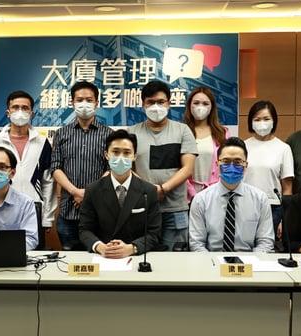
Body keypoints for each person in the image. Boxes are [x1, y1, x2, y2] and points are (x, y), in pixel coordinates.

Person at [129, 80, 197, 250]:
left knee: (174, 258)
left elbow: (188, 168)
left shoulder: (183, 130)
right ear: (143, 105)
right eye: (150, 102)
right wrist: (150, 190)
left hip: (175, 209)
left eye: (160, 102)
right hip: (142, 207)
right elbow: (127, 169)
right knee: (141, 254)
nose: (156, 107)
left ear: (169, 103)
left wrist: (163, 189)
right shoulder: (132, 132)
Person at [0, 90, 55, 241]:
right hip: (1, 209)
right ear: (8, 113)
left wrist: (47, 217)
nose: (20, 111)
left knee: (33, 251)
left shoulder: (42, 143)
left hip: (34, 209)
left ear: (32, 113)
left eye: (25, 108)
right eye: (15, 107)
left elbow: (48, 182)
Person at [79, 129, 162, 258]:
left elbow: (154, 233)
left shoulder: (149, 191)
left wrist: (131, 248)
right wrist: (100, 247)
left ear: (134, 156)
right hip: (103, 256)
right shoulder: (93, 190)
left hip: (136, 256)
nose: (121, 157)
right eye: (116, 152)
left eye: (127, 153)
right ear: (106, 155)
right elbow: (84, 230)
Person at [50, 81, 112, 250]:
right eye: (79, 100)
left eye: (89, 100)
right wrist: (75, 192)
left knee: (99, 257)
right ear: (72, 103)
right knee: (69, 259)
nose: (84, 104)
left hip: (99, 213)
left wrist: (88, 194)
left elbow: (111, 170)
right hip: (68, 211)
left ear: (97, 103)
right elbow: (55, 167)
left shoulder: (109, 134)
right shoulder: (61, 133)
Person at [189, 137, 274, 253]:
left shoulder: (260, 199)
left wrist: (251, 262)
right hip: (211, 259)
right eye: (226, 162)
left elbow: (265, 242)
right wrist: (210, 262)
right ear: (217, 164)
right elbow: (196, 244)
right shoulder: (201, 200)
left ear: (246, 165)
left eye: (237, 162)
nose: (232, 167)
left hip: (249, 260)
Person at [243, 100, 294, 231]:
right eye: (257, 119)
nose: (262, 123)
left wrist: (285, 218)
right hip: (245, 204)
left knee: (268, 243)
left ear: (274, 121)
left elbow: (287, 188)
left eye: (266, 119)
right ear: (251, 122)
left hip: (273, 207)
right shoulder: (243, 146)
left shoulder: (283, 148)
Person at [183, 86, 229, 202]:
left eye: (205, 104)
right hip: (187, 196)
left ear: (212, 107)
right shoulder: (181, 131)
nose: (200, 107)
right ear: (189, 106)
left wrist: (215, 191)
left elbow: (226, 165)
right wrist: (193, 194)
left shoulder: (222, 133)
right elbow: (177, 167)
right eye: (196, 103)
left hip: (216, 195)